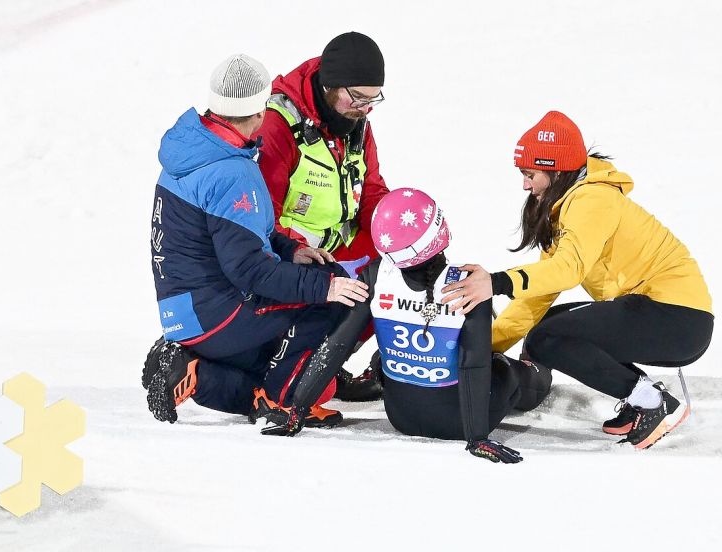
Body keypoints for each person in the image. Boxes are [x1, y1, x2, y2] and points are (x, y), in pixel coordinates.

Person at [441, 111, 714, 449]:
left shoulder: (592, 200)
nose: (525, 185)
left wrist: (496, 282)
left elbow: (569, 269)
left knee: (547, 339)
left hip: (677, 318)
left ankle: (649, 401)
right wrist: (482, 347)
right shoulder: (567, 203)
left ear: (555, 170)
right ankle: (645, 397)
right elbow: (539, 295)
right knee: (550, 326)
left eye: (530, 174)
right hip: (657, 311)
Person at [142, 54, 370, 426]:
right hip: (218, 313)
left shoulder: (193, 149)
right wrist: (326, 287)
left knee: (286, 368)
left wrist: (292, 250)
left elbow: (240, 235)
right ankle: (284, 401)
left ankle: (192, 372)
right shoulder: (232, 171)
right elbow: (249, 270)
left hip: (185, 313)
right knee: (334, 306)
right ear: (261, 109)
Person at [252, 188, 552, 464]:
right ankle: (535, 366)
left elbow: (336, 346)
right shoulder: (470, 285)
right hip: (461, 422)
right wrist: (477, 438)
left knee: (383, 357)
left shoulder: (374, 275)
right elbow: (474, 365)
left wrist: (297, 413)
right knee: (506, 369)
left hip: (402, 417)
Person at [258, 31, 391, 401]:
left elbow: (372, 190)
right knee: (347, 289)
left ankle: (327, 363)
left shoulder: (354, 121)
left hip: (338, 254)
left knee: (396, 270)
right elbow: (261, 213)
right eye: (359, 98)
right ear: (330, 85)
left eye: (373, 98)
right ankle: (286, 364)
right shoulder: (278, 123)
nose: (366, 108)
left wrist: (404, 230)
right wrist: (296, 250)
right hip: (289, 257)